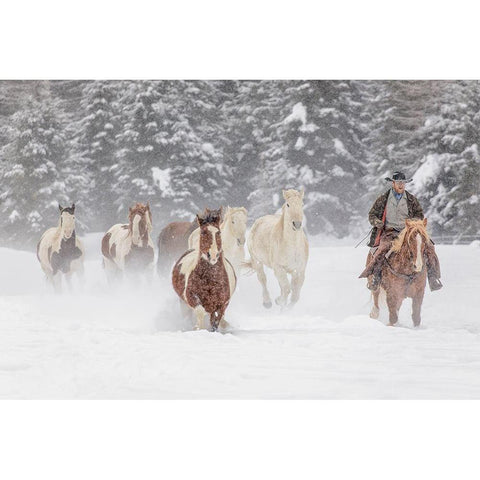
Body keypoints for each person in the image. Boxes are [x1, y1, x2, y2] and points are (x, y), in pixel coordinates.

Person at [359, 171, 443, 291]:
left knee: (429, 247)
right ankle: (375, 277)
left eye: (403, 182)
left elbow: (419, 215)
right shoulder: (383, 199)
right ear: (393, 183)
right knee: (382, 249)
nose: (401, 185)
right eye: (398, 182)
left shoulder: (411, 199)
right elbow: (372, 215)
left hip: (408, 232)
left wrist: (413, 223)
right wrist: (377, 222)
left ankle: (433, 277)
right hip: (389, 232)